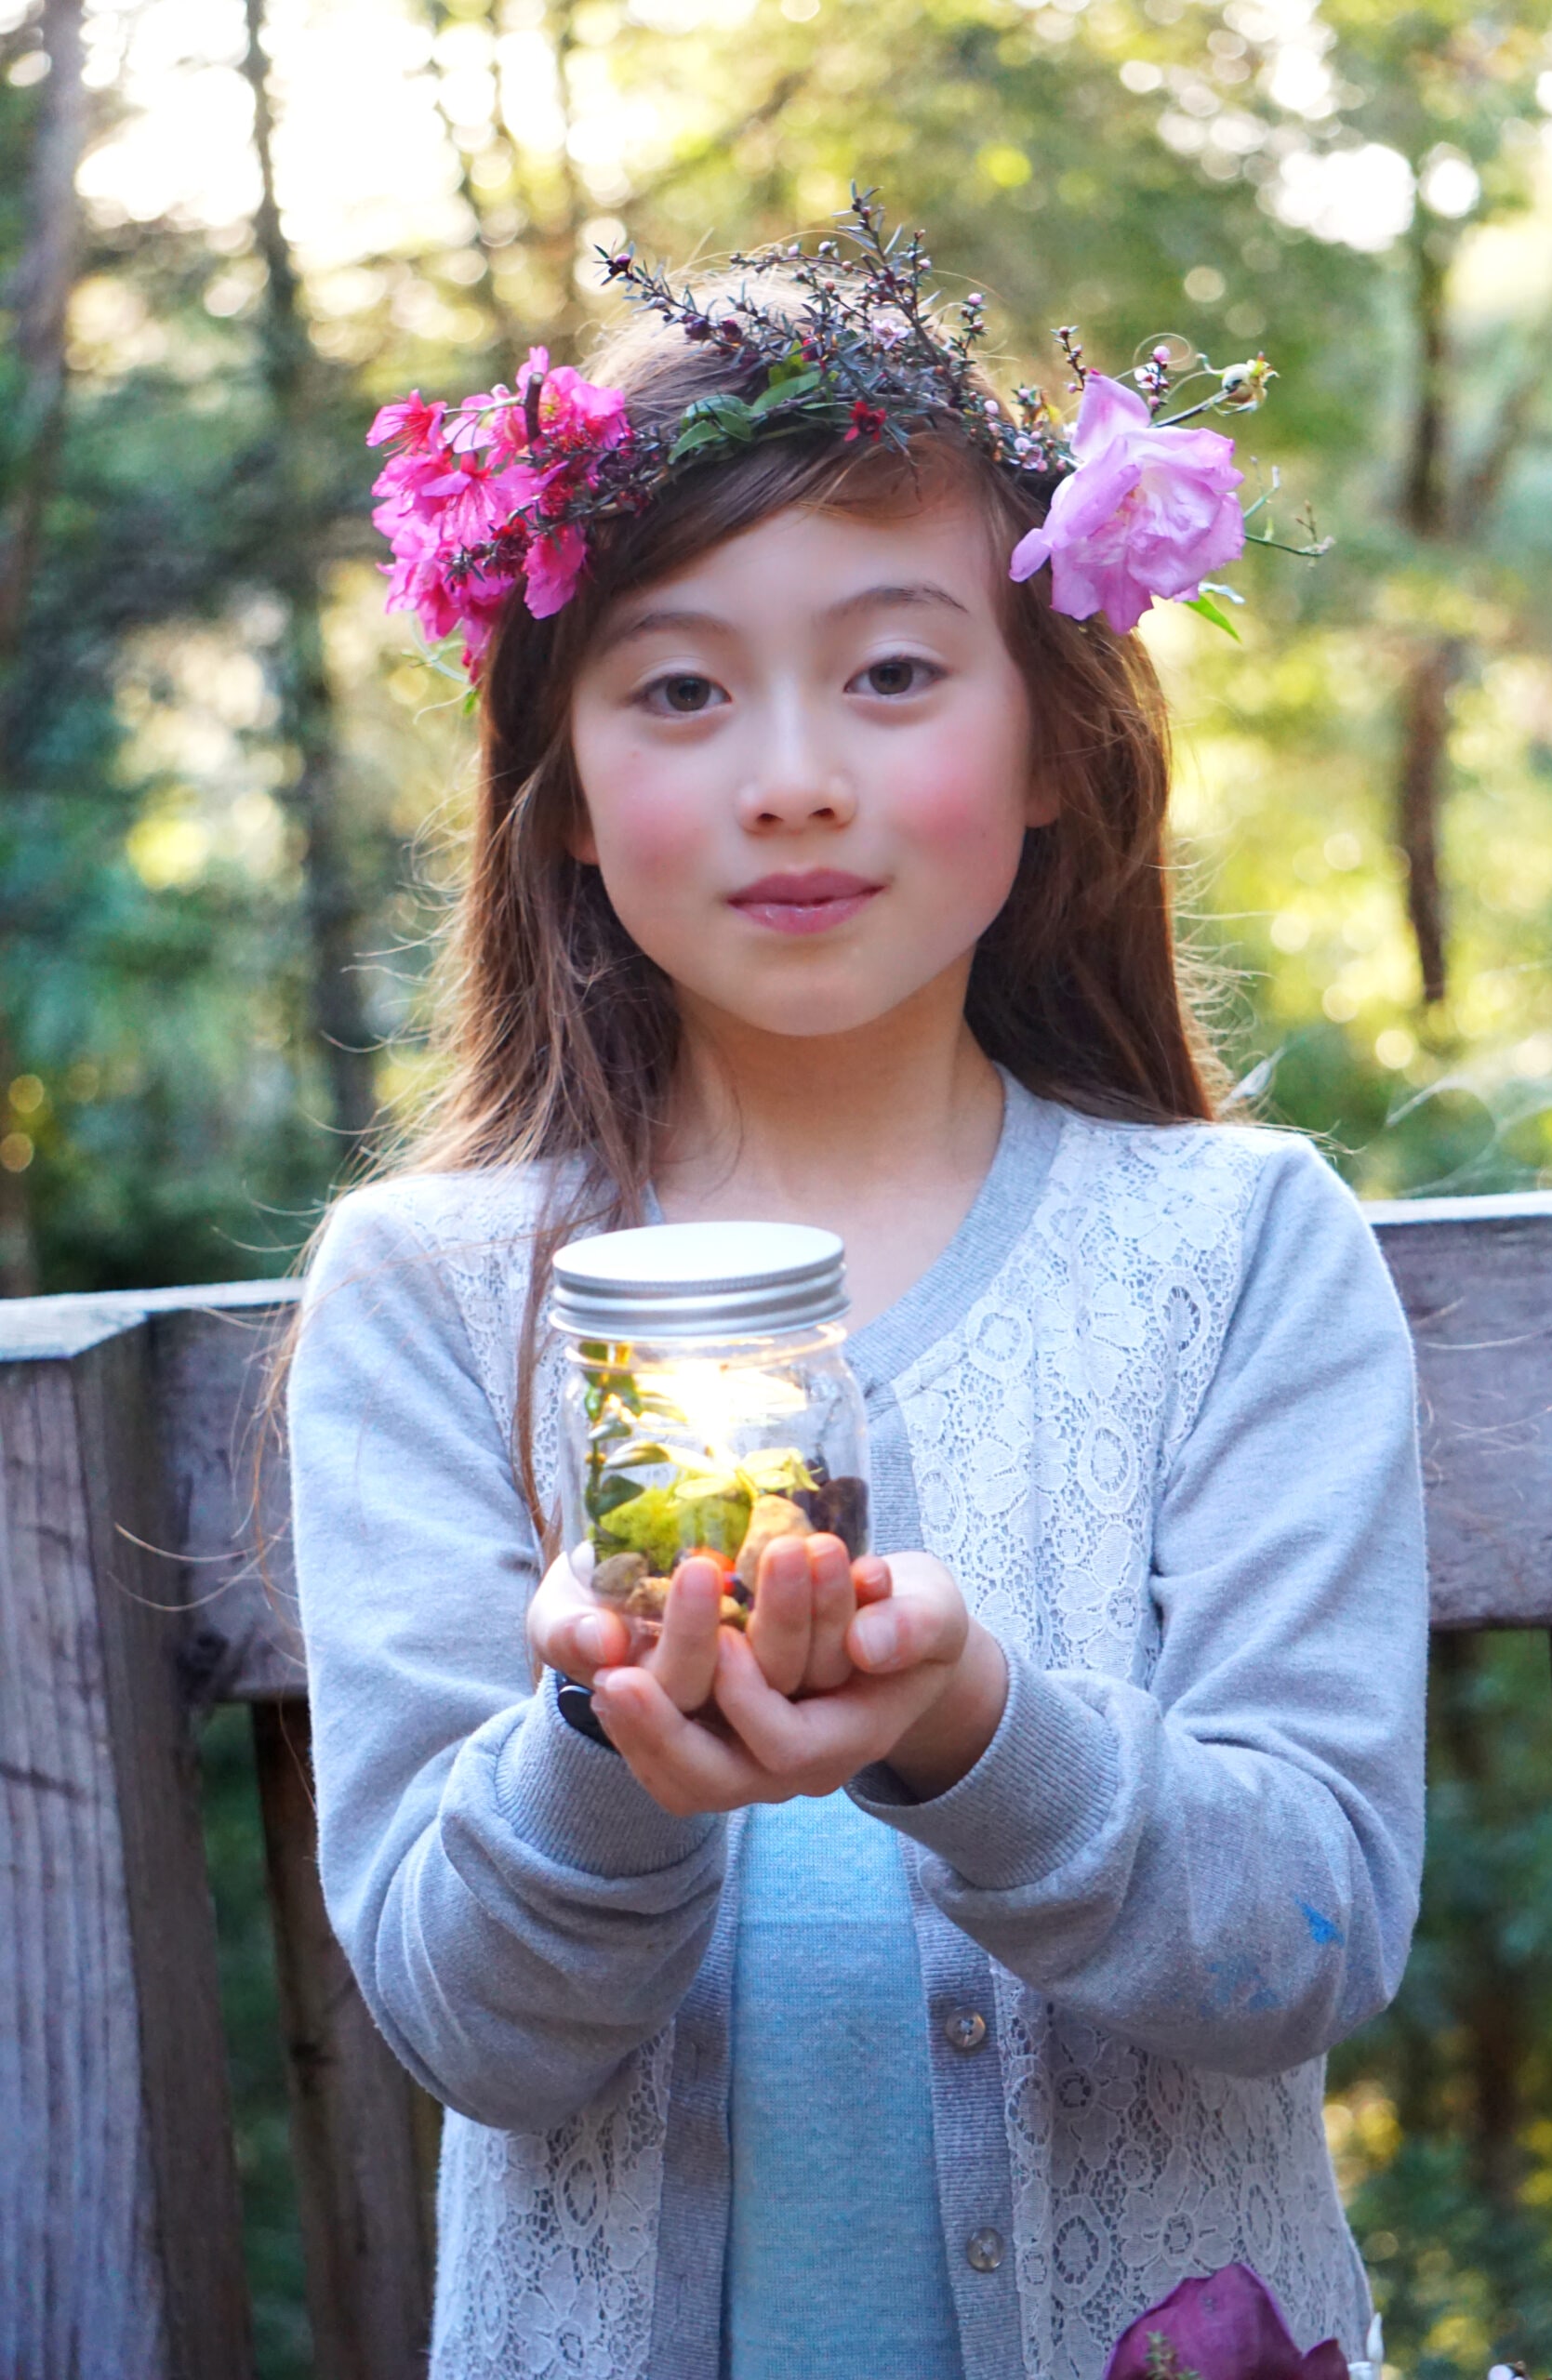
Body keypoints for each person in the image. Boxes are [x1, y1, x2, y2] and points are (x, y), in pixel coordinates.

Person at [288, 201, 1426, 2380]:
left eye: (892, 669)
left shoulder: (1232, 1253)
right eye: (683, 686)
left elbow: (1304, 1929)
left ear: (1053, 744)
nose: (790, 768)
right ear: (560, 802)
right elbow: (466, 2024)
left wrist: (970, 1723)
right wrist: (602, 1744)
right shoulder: (433, 1297)